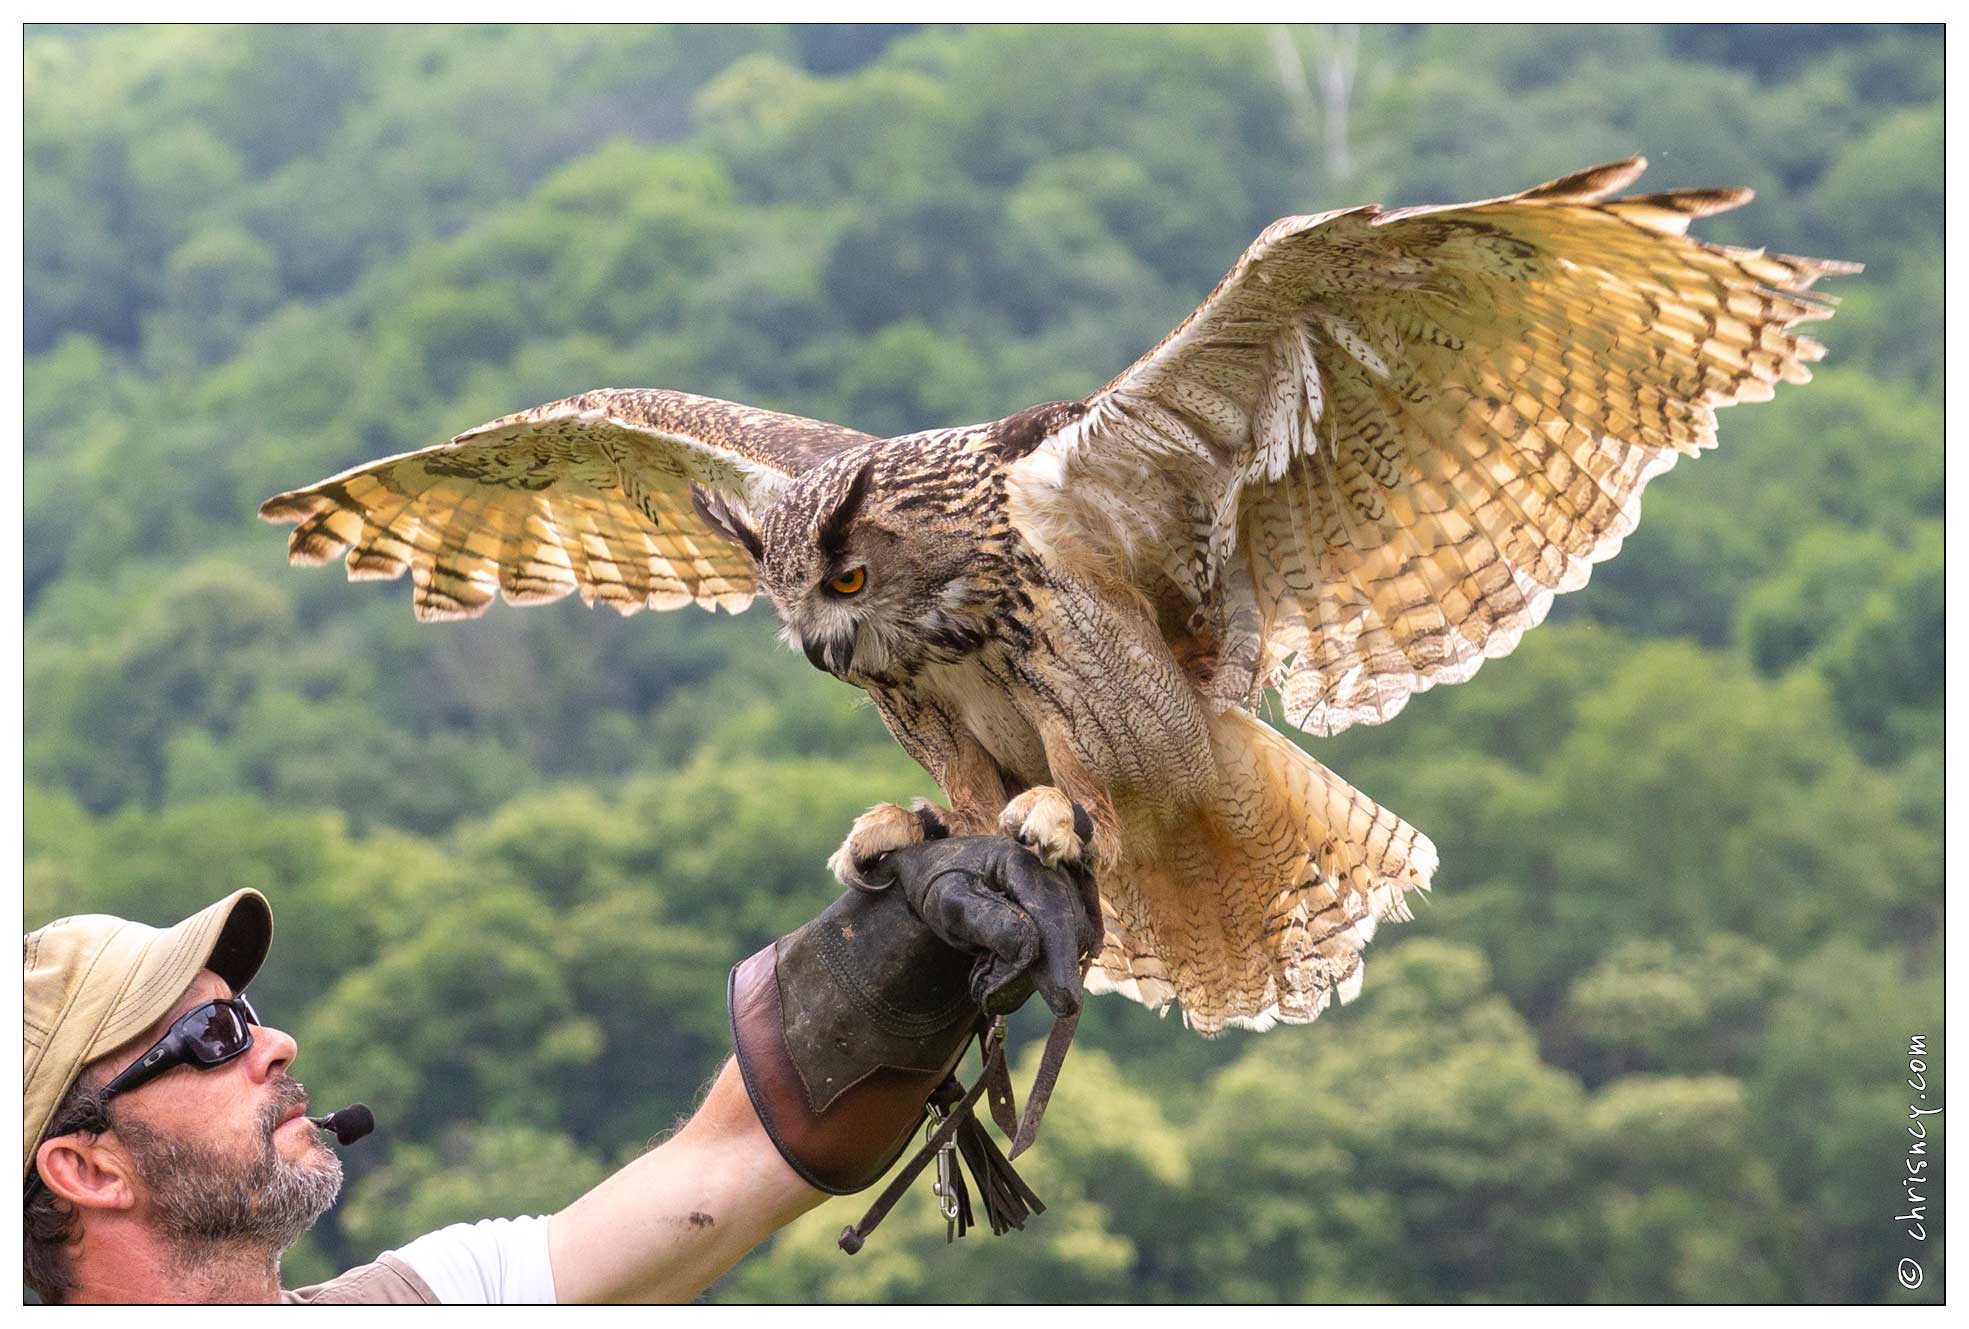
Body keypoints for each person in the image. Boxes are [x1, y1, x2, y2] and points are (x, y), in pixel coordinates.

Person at [23, 834, 1099, 1304]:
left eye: (246, 1014)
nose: (275, 1045)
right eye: (209, 1040)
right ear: (86, 1169)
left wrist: (906, 966)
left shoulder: (432, 1298)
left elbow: (715, 1182)